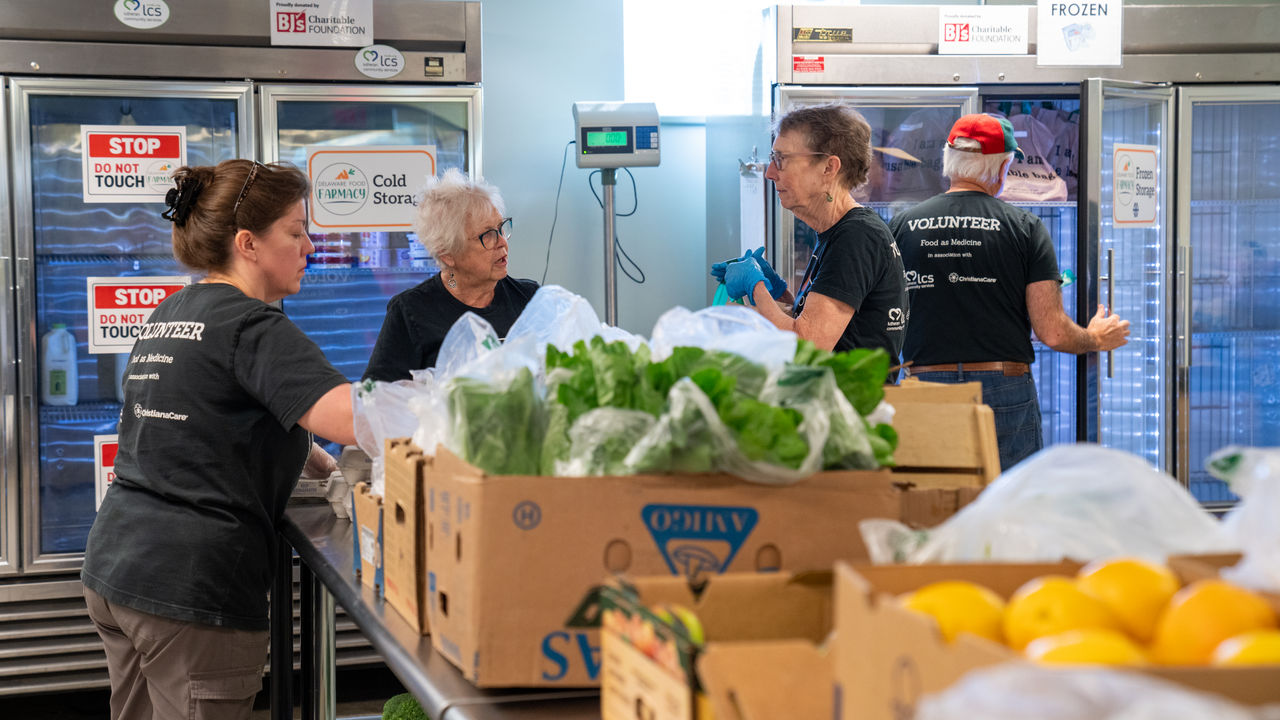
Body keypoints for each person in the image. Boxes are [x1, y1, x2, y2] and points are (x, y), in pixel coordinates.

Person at [81, 159, 357, 720]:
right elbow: (352, 418)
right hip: (193, 591)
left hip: (118, 567)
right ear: (248, 243)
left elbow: (203, 422)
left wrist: (314, 458)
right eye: (296, 230)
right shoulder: (254, 326)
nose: (310, 245)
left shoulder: (173, 311)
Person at [888, 113, 1130, 470]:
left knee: (936, 499)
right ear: (1002, 168)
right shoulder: (1025, 228)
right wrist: (1095, 338)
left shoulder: (902, 226)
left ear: (948, 162)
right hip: (1002, 388)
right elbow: (1053, 331)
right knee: (1008, 506)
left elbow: (886, 316)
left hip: (924, 384)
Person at [713, 104, 908, 367]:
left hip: (854, 405)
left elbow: (807, 347)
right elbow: (824, 327)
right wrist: (780, 295)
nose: (770, 172)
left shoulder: (857, 237)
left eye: (781, 159)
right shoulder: (836, 233)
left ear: (828, 168)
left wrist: (755, 286)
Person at [363, 168, 538, 381]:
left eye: (501, 228)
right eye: (487, 235)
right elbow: (379, 397)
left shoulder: (529, 299)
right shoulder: (411, 312)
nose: (502, 242)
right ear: (448, 255)